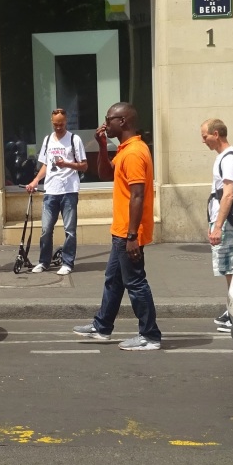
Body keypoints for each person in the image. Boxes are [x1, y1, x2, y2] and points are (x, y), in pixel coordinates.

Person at [72, 102, 161, 351]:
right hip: (121, 230)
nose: (105, 123)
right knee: (113, 279)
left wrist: (132, 236)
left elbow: (138, 196)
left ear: (122, 121)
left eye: (108, 118)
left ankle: (150, 336)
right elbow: (104, 174)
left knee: (135, 283)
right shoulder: (125, 150)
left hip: (128, 232)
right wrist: (102, 146)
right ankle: (102, 327)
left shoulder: (134, 153)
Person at [24, 108, 87, 275]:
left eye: (62, 124)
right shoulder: (47, 140)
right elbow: (45, 165)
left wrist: (67, 164)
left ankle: (67, 262)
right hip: (51, 190)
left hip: (69, 191)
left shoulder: (74, 139)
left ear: (66, 122)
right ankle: (44, 262)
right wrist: (36, 181)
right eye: (56, 124)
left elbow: (84, 165)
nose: (58, 127)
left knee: (70, 230)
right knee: (46, 229)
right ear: (52, 122)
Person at [200, 119, 233, 333]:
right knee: (227, 268)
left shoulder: (229, 160)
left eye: (205, 136)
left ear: (216, 134)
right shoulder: (223, 158)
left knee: (230, 268)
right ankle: (232, 311)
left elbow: (228, 194)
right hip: (221, 220)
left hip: (225, 221)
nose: (203, 141)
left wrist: (218, 226)